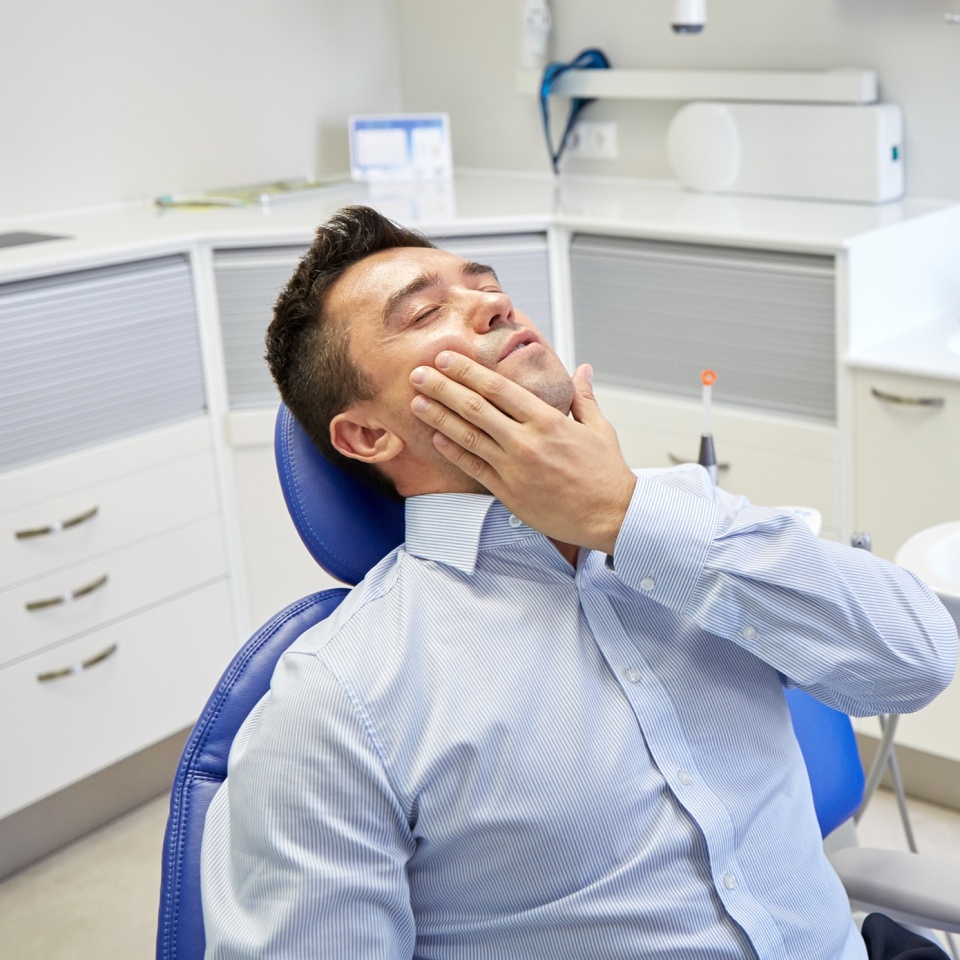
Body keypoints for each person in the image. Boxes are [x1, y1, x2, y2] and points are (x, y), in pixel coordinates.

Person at [200, 205, 958, 960]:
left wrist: (626, 515)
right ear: (369, 434)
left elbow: (919, 659)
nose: (492, 303)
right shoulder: (338, 701)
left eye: (486, 285)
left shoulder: (687, 522)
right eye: (428, 312)